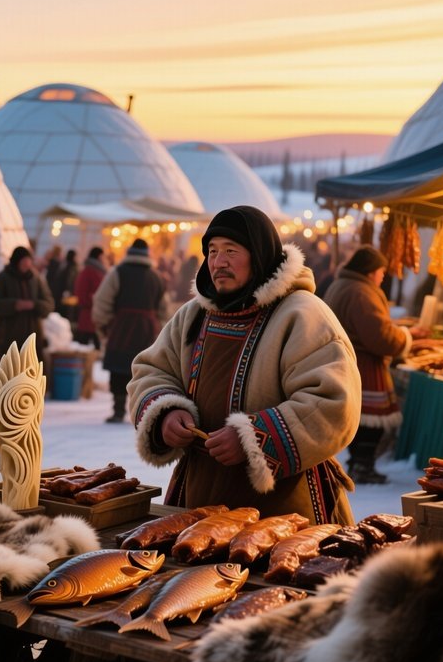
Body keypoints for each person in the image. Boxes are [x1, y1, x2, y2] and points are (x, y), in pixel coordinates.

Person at [128, 206, 361, 525]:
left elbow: (334, 402)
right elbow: (151, 371)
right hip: (201, 494)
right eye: (212, 251)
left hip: (285, 506)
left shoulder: (302, 314)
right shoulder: (193, 315)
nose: (218, 262)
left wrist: (254, 437)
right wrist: (166, 412)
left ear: (259, 254)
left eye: (230, 251)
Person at [323, 245, 425, 484]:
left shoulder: (342, 284)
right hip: (363, 364)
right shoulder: (361, 292)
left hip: (345, 360)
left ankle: (358, 463)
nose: (382, 277)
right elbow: (378, 335)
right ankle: (362, 465)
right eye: (381, 272)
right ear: (370, 272)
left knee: (361, 418)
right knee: (371, 420)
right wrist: (405, 337)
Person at [93, 238, 167, 424]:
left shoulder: (117, 272)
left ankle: (118, 410)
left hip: (122, 326)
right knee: (144, 371)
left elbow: (102, 300)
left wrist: (104, 324)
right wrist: (160, 328)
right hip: (147, 329)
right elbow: (163, 308)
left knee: (118, 369)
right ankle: (142, 411)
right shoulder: (155, 276)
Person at [0, 245, 54, 364]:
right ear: (16, 262)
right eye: (23, 262)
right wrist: (14, 305)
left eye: (28, 262)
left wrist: (34, 305)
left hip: (33, 336)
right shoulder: (4, 277)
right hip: (9, 336)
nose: (27, 265)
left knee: (32, 374)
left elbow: (49, 304)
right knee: (9, 372)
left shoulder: (36, 278)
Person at [74, 246, 107, 349]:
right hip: (88, 316)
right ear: (98, 256)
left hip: (96, 316)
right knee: (85, 346)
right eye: (102, 256)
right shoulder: (88, 271)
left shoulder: (99, 271)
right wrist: (95, 299)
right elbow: (81, 293)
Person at [56, 248, 79, 322]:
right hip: (70, 294)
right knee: (68, 314)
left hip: (64, 294)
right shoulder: (72, 267)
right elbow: (69, 281)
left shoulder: (64, 265)